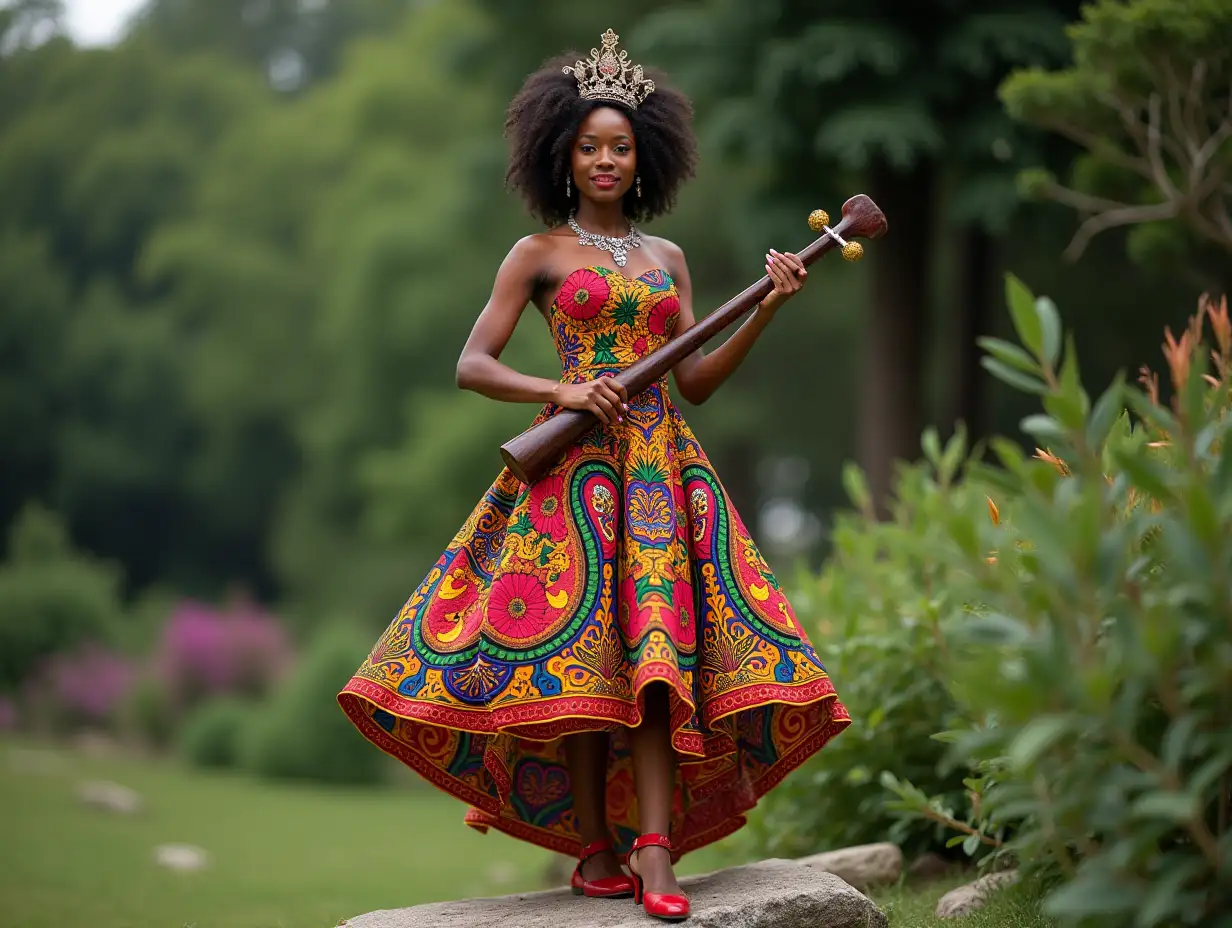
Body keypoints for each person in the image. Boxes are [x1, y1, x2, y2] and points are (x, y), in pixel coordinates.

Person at [337, 28, 850, 923]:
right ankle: (595, 847)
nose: (606, 159)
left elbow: (694, 380)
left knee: (658, 665)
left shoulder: (668, 261)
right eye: (589, 147)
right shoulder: (535, 255)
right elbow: (472, 364)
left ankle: (656, 853)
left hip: (660, 474)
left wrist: (764, 308)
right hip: (570, 477)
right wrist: (562, 386)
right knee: (579, 668)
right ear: (562, 157)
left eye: (620, 146)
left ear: (641, 158)